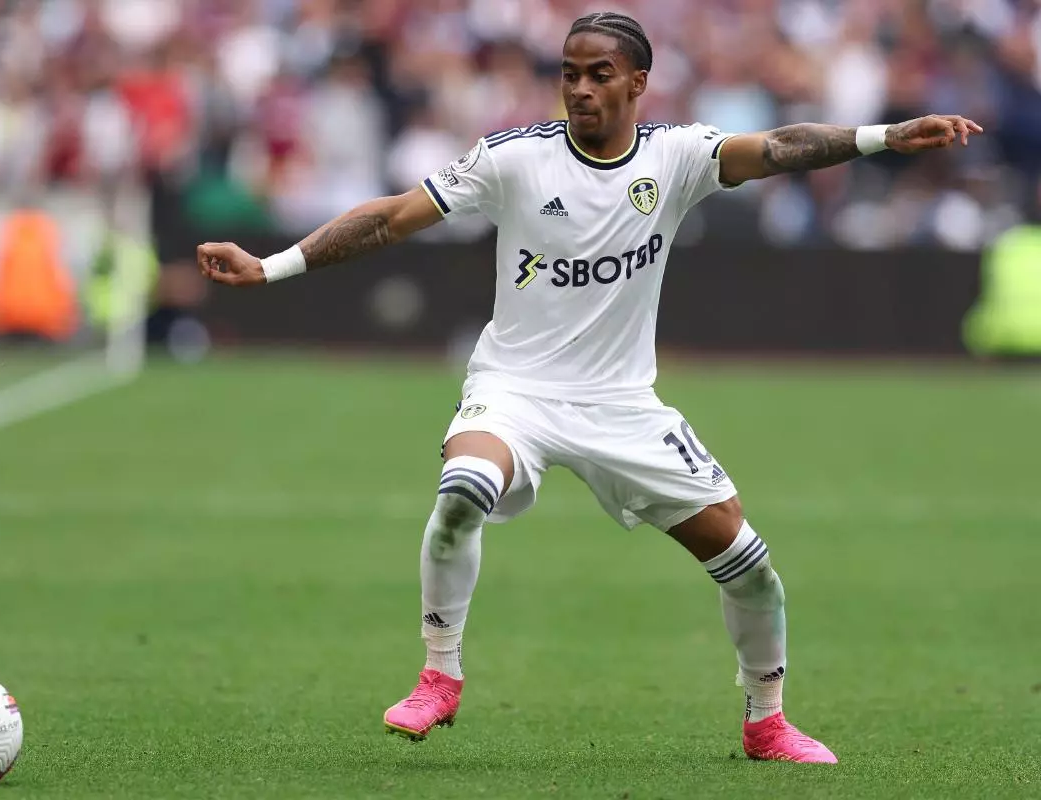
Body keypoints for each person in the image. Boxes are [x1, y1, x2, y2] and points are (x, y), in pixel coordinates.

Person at [197, 12, 982, 763]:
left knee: (749, 565)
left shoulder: (676, 156)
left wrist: (884, 137)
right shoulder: (512, 157)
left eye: (599, 75)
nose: (579, 89)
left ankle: (766, 723)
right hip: (517, 390)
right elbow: (390, 219)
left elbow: (778, 146)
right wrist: (272, 267)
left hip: (623, 406)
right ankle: (440, 673)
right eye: (569, 74)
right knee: (462, 491)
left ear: (638, 82)